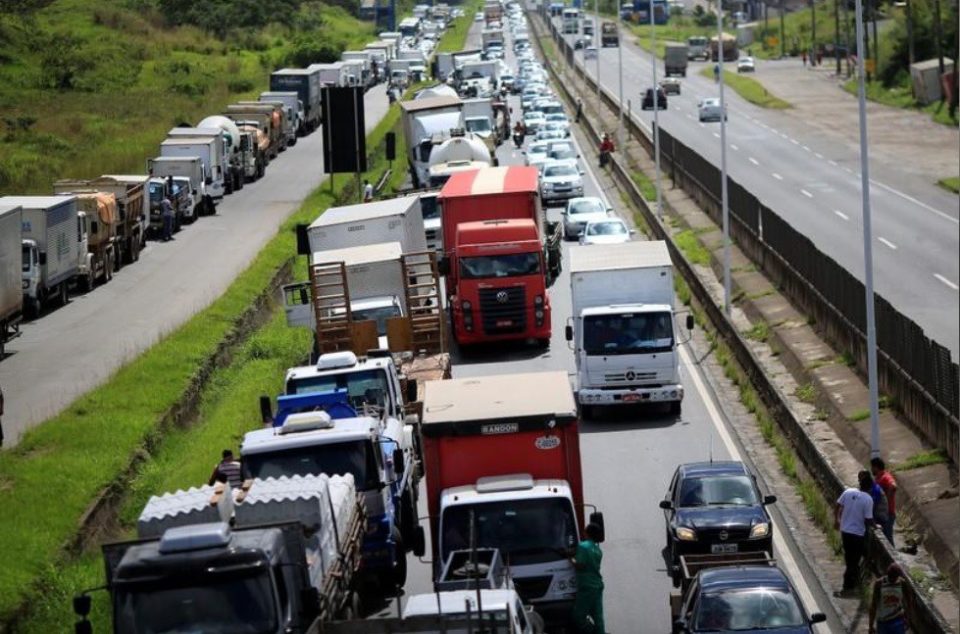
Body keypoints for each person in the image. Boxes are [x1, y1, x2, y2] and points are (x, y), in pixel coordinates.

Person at [834, 470, 875, 597]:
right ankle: (848, 587)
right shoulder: (868, 499)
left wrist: (837, 520)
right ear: (869, 487)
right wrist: (875, 525)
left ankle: (852, 585)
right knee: (854, 561)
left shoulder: (848, 491)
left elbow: (837, 505)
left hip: (845, 531)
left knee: (849, 558)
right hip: (857, 534)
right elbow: (868, 519)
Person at [571, 523, 605, 633]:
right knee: (598, 617)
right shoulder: (598, 550)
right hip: (597, 586)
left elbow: (580, 565)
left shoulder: (583, 546)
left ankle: (592, 631)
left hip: (587, 587)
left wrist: (570, 557)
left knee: (578, 617)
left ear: (587, 533)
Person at [869, 563, 912, 634]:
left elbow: (909, 601)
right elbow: (873, 605)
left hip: (898, 619)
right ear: (888, 574)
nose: (894, 579)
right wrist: (870, 625)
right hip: (883, 621)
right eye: (892, 577)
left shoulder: (902, 583)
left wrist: (908, 618)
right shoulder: (879, 584)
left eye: (896, 577)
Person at [871, 457, 898, 545]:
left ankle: (895, 559)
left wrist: (887, 498)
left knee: (888, 539)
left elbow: (893, 486)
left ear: (876, 467)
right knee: (883, 539)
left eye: (872, 467)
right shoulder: (878, 478)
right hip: (881, 513)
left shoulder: (885, 477)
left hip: (888, 513)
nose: (871, 469)